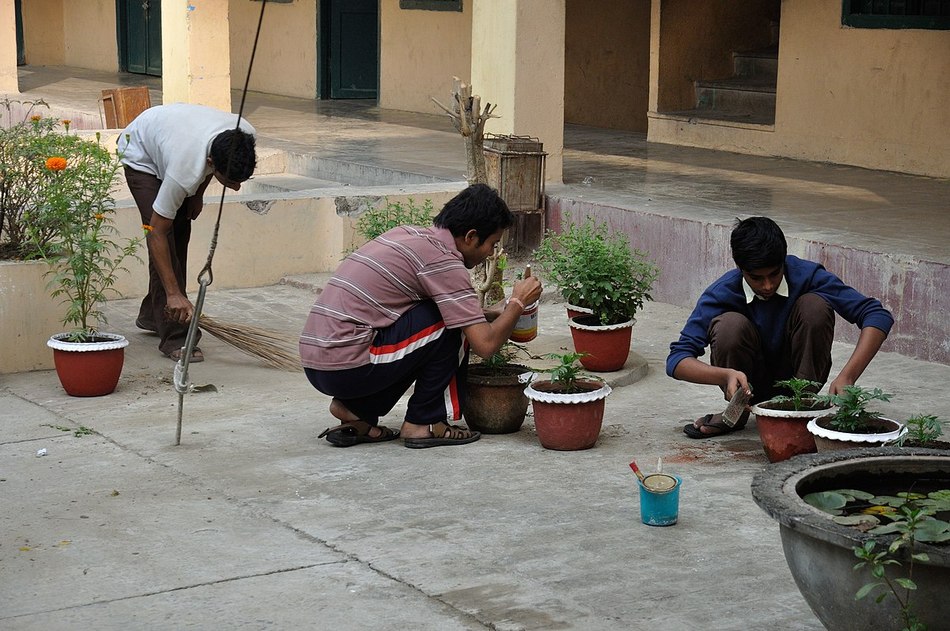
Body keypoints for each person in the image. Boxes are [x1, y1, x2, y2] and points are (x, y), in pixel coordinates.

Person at [300, 183, 543, 448]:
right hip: (347, 365)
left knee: (443, 319)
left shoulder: (408, 235)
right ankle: (424, 422)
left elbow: (412, 315)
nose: (490, 254)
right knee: (451, 327)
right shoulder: (444, 262)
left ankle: (358, 410)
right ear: (471, 237)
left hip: (320, 362)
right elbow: (484, 345)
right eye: (492, 244)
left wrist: (490, 313)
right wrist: (518, 302)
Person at [667, 216, 894, 438]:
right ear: (740, 268)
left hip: (801, 383)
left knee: (814, 306)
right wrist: (724, 375)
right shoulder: (722, 293)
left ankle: (803, 409)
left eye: (774, 274)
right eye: (756, 278)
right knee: (729, 326)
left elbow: (876, 315)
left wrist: (848, 376)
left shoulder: (807, 275)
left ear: (784, 261)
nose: (767, 285)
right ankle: (738, 412)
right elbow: (677, 360)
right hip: (748, 386)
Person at [119, 103, 257, 362]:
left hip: (173, 138)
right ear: (209, 163)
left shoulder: (245, 135)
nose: (236, 189)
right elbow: (156, 233)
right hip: (141, 153)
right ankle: (176, 336)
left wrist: (198, 194)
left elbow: (207, 166)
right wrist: (174, 293)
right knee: (167, 241)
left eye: (241, 181)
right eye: (229, 182)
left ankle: (152, 315)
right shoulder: (183, 170)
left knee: (181, 233)